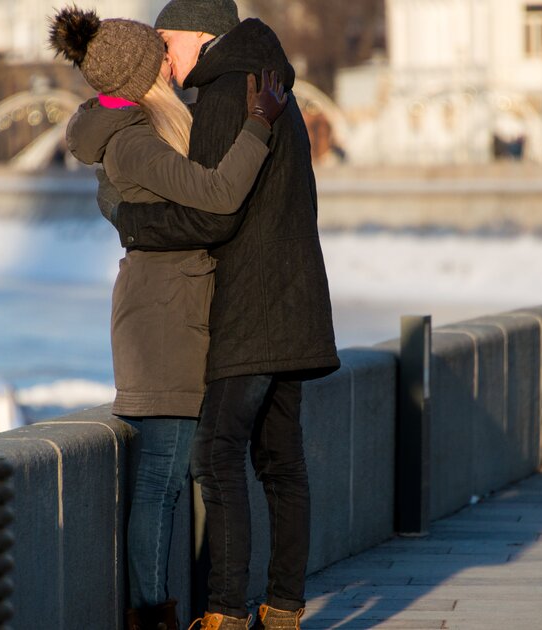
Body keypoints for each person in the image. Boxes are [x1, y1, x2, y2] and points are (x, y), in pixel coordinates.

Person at [97, 1, 341, 628]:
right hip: (298, 303)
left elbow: (213, 211)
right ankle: (283, 608)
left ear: (203, 35)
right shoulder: (270, 77)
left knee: (216, 455)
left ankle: (227, 612)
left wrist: (131, 222)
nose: (164, 58)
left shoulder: (227, 89)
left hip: (250, 309)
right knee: (282, 462)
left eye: (169, 42)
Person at [48, 8, 289, 630]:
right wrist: (259, 125)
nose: (169, 61)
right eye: (158, 56)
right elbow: (217, 195)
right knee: (161, 481)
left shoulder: (132, 131)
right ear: (140, 75)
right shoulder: (133, 141)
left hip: (164, 310)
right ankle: (151, 616)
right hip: (164, 321)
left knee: (166, 477)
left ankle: (156, 610)